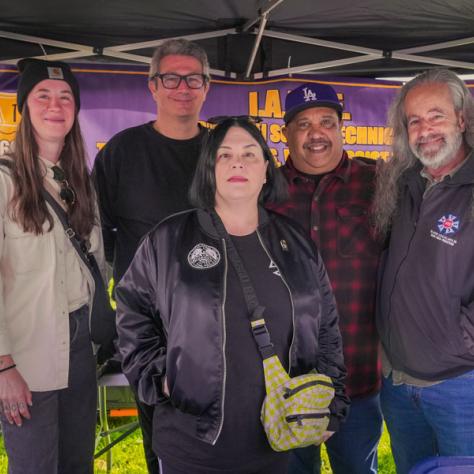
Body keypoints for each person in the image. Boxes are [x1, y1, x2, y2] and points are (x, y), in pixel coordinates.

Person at [115, 117, 350, 474]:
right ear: (209, 170)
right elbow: (132, 315)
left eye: (249, 154)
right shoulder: (169, 240)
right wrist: (160, 378)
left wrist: (332, 404)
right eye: (224, 155)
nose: (237, 162)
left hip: (279, 440)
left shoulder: (296, 244)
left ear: (267, 171)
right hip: (192, 445)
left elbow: (326, 330)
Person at [92, 38, 210, 473]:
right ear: (152, 86)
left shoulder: (223, 152)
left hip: (220, 323)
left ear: (206, 86)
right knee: (161, 446)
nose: (183, 87)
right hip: (150, 332)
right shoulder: (121, 152)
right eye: (171, 78)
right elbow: (96, 240)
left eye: (193, 78)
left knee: (223, 439)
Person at [267, 82, 383, 474]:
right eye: (302, 124)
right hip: (283, 380)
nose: (316, 134)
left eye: (326, 122)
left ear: (340, 129)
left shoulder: (380, 183)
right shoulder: (263, 190)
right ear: (285, 134)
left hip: (359, 378)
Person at [0, 58, 104, 473]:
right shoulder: (5, 181)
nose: (54, 105)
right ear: (25, 107)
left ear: (76, 110)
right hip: (25, 354)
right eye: (42, 95)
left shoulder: (79, 181)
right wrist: (3, 366)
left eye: (65, 97)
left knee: (78, 464)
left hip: (79, 346)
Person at [373, 69, 474, 474]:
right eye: (414, 120)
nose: (424, 130)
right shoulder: (403, 184)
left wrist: (457, 342)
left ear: (462, 120)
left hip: (460, 387)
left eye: (436, 116)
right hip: (398, 385)